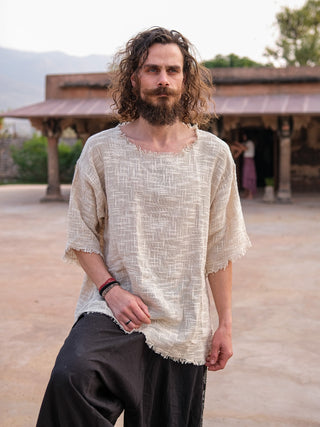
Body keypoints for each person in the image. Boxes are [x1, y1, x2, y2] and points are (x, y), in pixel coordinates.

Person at [36, 27, 251, 427]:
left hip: (184, 321)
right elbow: (81, 234)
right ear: (134, 78)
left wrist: (225, 325)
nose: (163, 80)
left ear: (186, 79)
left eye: (172, 70)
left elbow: (219, 248)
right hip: (115, 311)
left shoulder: (214, 156)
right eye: (152, 70)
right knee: (72, 377)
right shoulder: (101, 150)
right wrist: (110, 290)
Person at [240, 134, 257, 199]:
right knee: (245, 176)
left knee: (250, 176)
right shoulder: (246, 143)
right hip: (246, 161)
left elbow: (245, 148)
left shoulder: (250, 142)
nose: (243, 137)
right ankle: (246, 193)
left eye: (244, 136)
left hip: (249, 161)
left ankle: (250, 194)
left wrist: (238, 145)